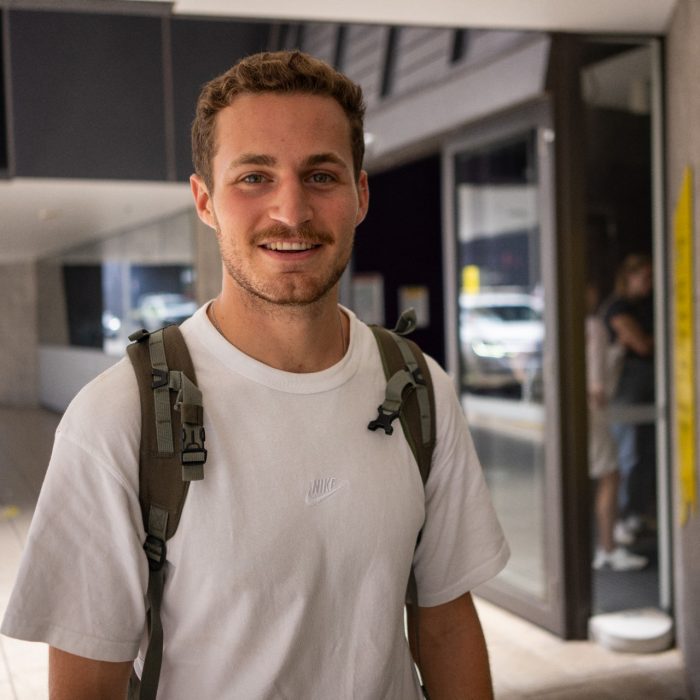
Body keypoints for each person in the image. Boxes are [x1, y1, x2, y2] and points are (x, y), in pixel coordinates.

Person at [1, 51, 509, 699]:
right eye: (254, 177)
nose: (291, 211)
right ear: (205, 200)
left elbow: (443, 626)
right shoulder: (119, 415)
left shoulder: (416, 387)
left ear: (361, 194)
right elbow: (86, 686)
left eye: (321, 175)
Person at [586, 283, 647, 571]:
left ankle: (601, 545)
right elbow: (597, 386)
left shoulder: (561, 325)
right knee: (610, 475)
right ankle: (607, 547)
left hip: (575, 413)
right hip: (592, 413)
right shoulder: (594, 327)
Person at [603, 254, 655, 545]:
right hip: (625, 394)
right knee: (628, 453)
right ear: (629, 276)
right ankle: (621, 518)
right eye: (645, 277)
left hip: (643, 395)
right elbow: (642, 345)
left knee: (644, 452)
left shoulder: (642, 306)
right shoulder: (618, 307)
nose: (649, 284)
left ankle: (633, 513)